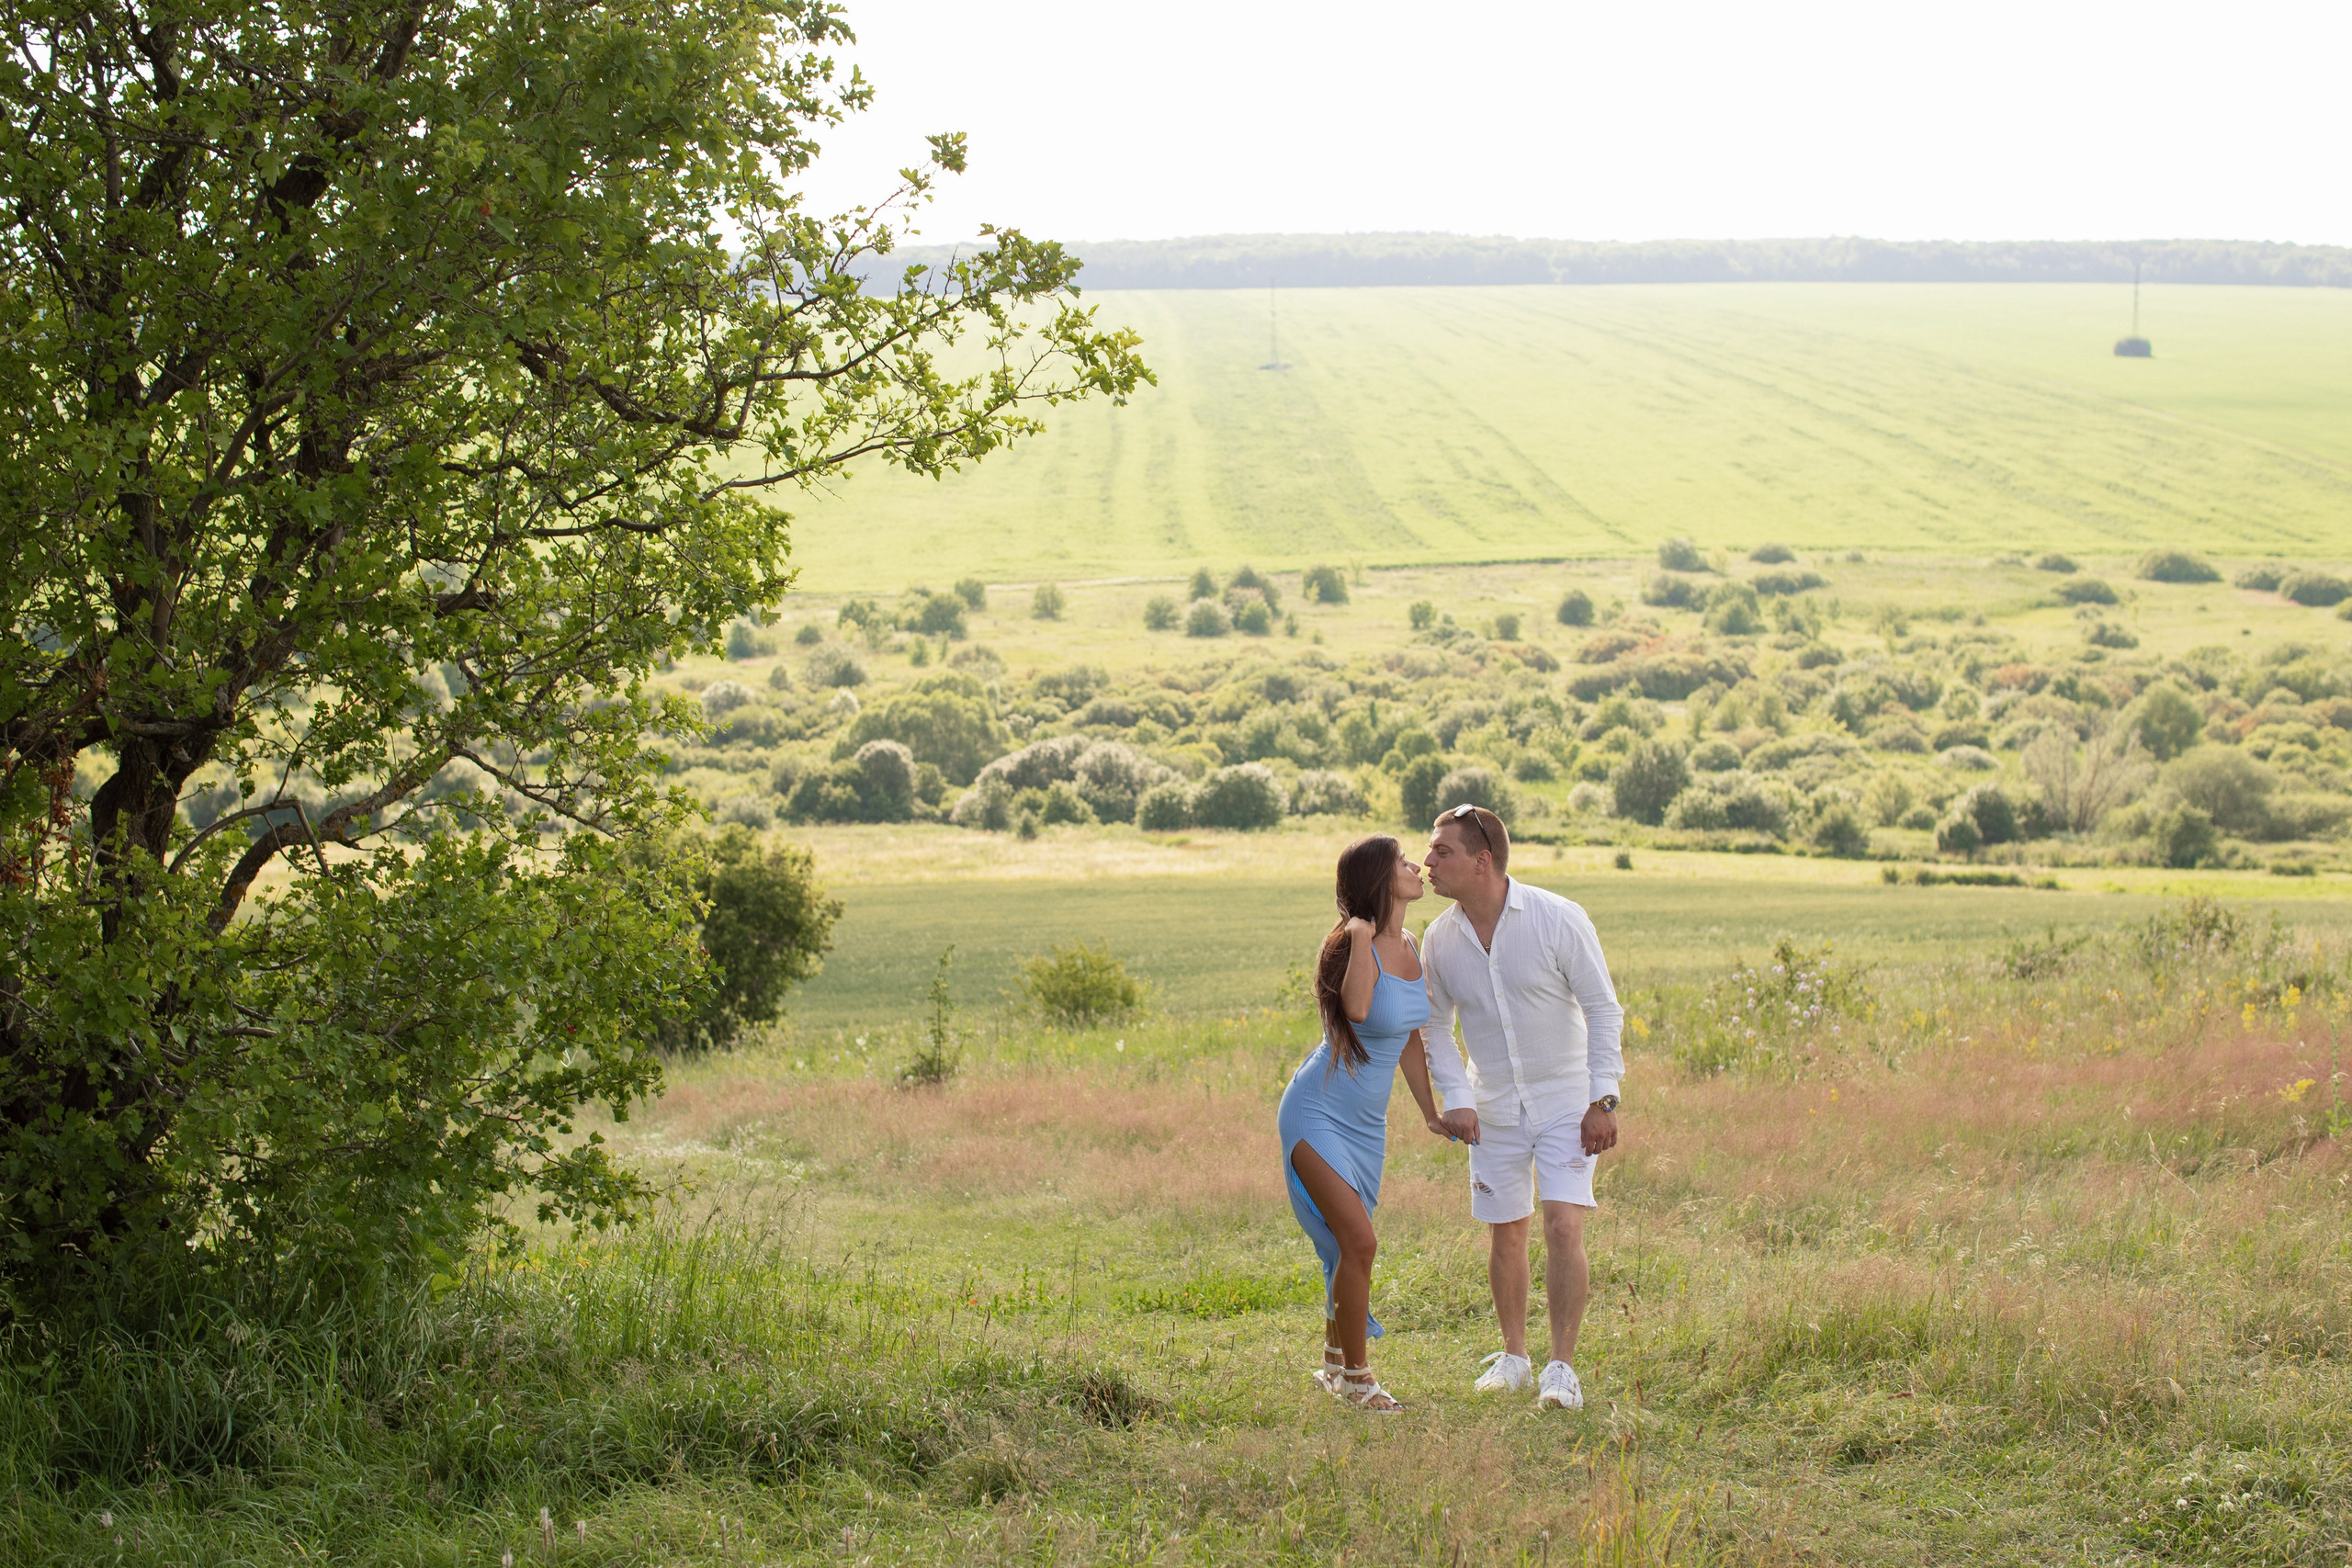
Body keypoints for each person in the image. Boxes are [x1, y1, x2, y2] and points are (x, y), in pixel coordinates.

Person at [1419, 803, 1624, 1411]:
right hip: (1492, 1108)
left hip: (1568, 1100)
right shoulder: (1440, 939)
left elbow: (1603, 1008)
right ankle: (1514, 1356)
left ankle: (1561, 1368)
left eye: (1442, 852)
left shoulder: (1558, 918)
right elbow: (1434, 1026)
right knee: (1505, 1231)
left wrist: (1602, 1098)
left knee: (1563, 1224)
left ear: (1483, 861)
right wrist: (1456, 1098)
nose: (1428, 862)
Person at [1275, 834, 1454, 1413]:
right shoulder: (1355, 944)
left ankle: (1332, 1364)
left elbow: (1407, 1039)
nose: (1417, 867)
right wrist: (1356, 934)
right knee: (1360, 1241)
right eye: (1404, 861)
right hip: (1317, 1110)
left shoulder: (1410, 943)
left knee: (1346, 1245)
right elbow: (1356, 1009)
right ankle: (1358, 1380)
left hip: (1366, 1125)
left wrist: (1430, 1112)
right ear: (1381, 877)